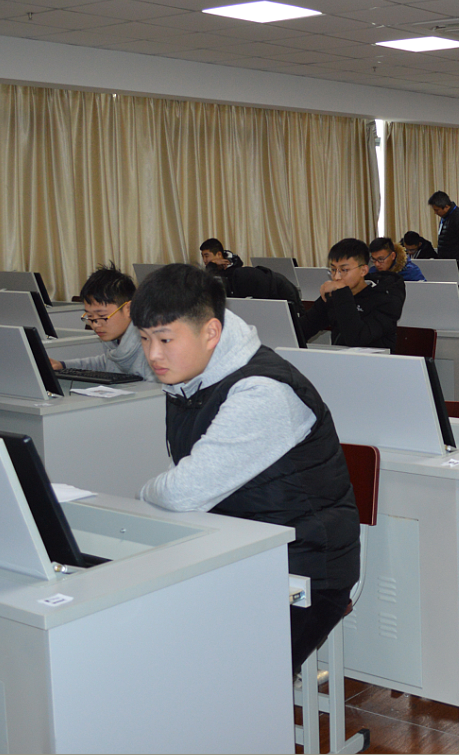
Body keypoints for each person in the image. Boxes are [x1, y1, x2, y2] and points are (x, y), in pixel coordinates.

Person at [131, 263, 360, 671]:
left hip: (304, 571)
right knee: (149, 636)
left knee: (215, 672)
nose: (153, 355)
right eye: (145, 338)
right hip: (241, 552)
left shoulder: (261, 391)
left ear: (211, 332)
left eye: (165, 339)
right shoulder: (190, 378)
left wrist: (143, 493)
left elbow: (184, 491)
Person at [49, 263, 154, 380]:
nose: (95, 324)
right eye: (90, 316)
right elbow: (106, 363)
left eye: (102, 316)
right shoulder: (114, 340)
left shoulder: (151, 347)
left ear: (129, 309)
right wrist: (63, 365)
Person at [300, 238, 404, 349]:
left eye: (344, 270)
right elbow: (302, 329)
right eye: (333, 270)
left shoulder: (386, 297)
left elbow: (357, 339)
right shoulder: (335, 294)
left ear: (363, 271)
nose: (336, 277)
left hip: (376, 358)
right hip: (339, 358)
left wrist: (342, 293)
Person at [429, 191, 459, 279]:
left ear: (446, 207)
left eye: (437, 210)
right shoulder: (446, 217)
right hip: (449, 264)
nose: (435, 213)